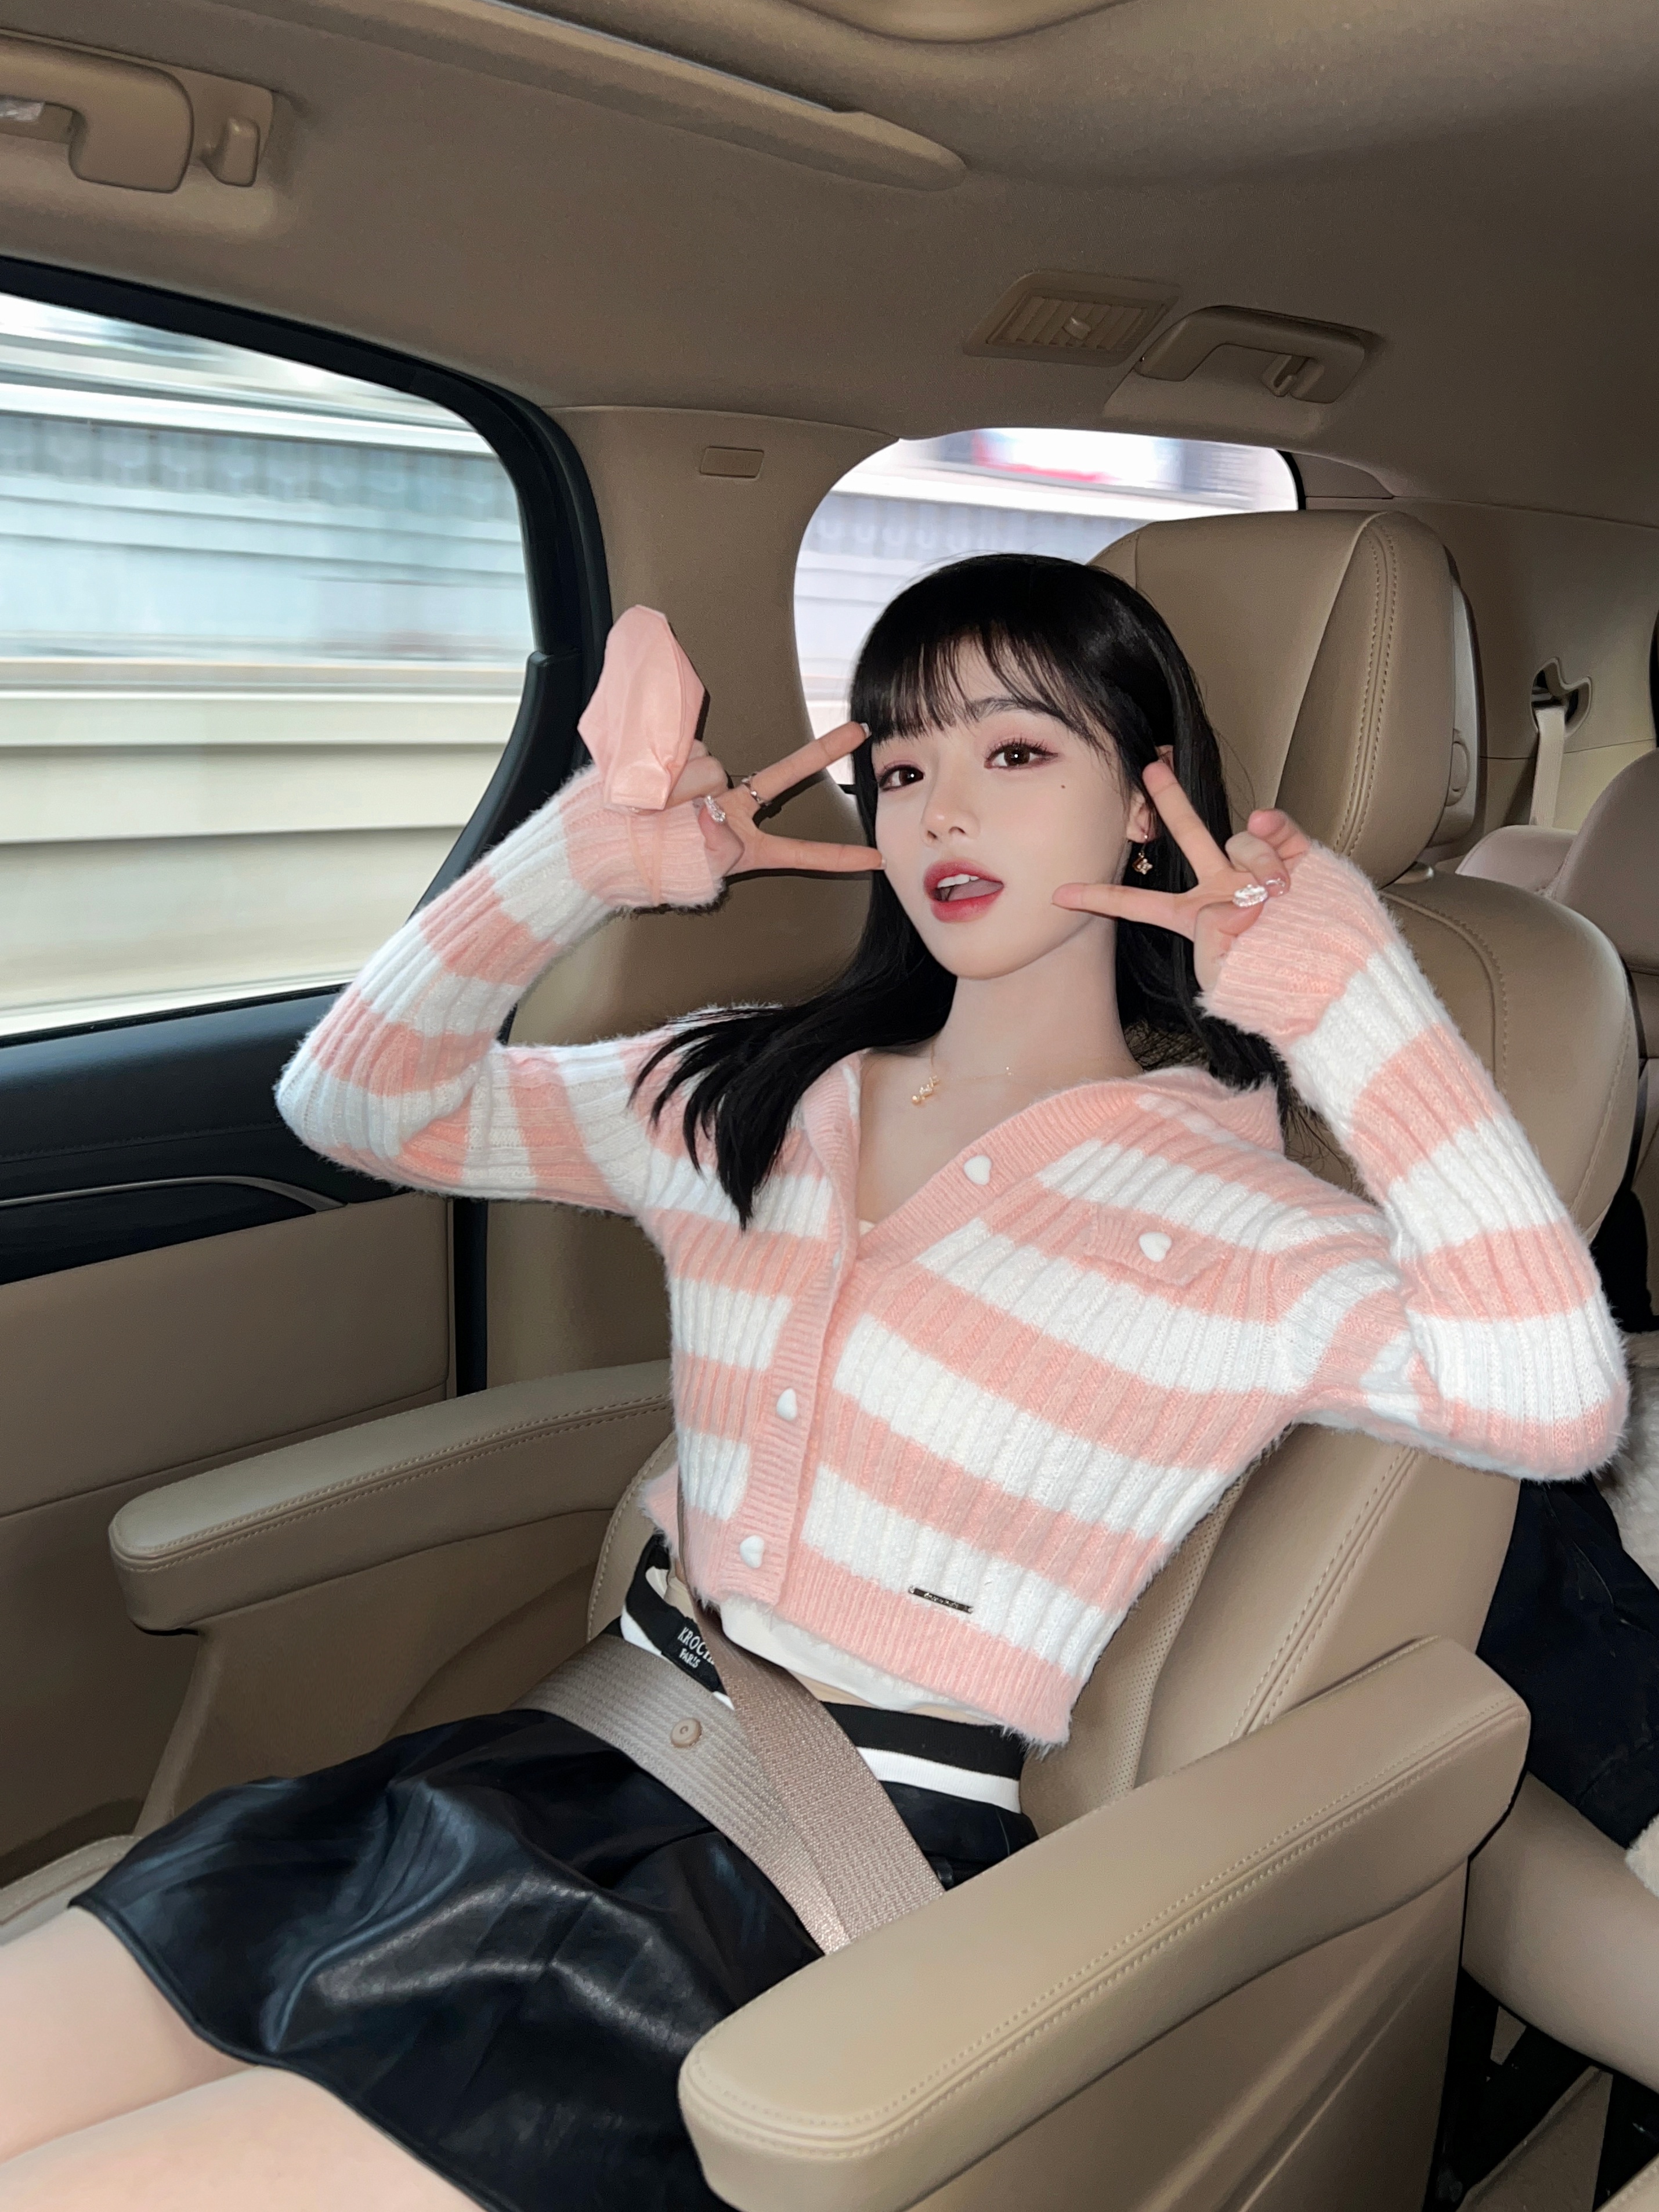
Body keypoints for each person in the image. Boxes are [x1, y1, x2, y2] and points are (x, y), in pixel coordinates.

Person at [0, 555, 1625, 2212]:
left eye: (1015, 753)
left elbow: (1554, 1396)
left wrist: (1350, 1004)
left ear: (1148, 805)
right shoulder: (747, 1090)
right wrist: (579, 862)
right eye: (901, 768)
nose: (940, 814)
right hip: (508, 1776)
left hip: (784, 1902)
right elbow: (355, 1102)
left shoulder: (1232, 1215)